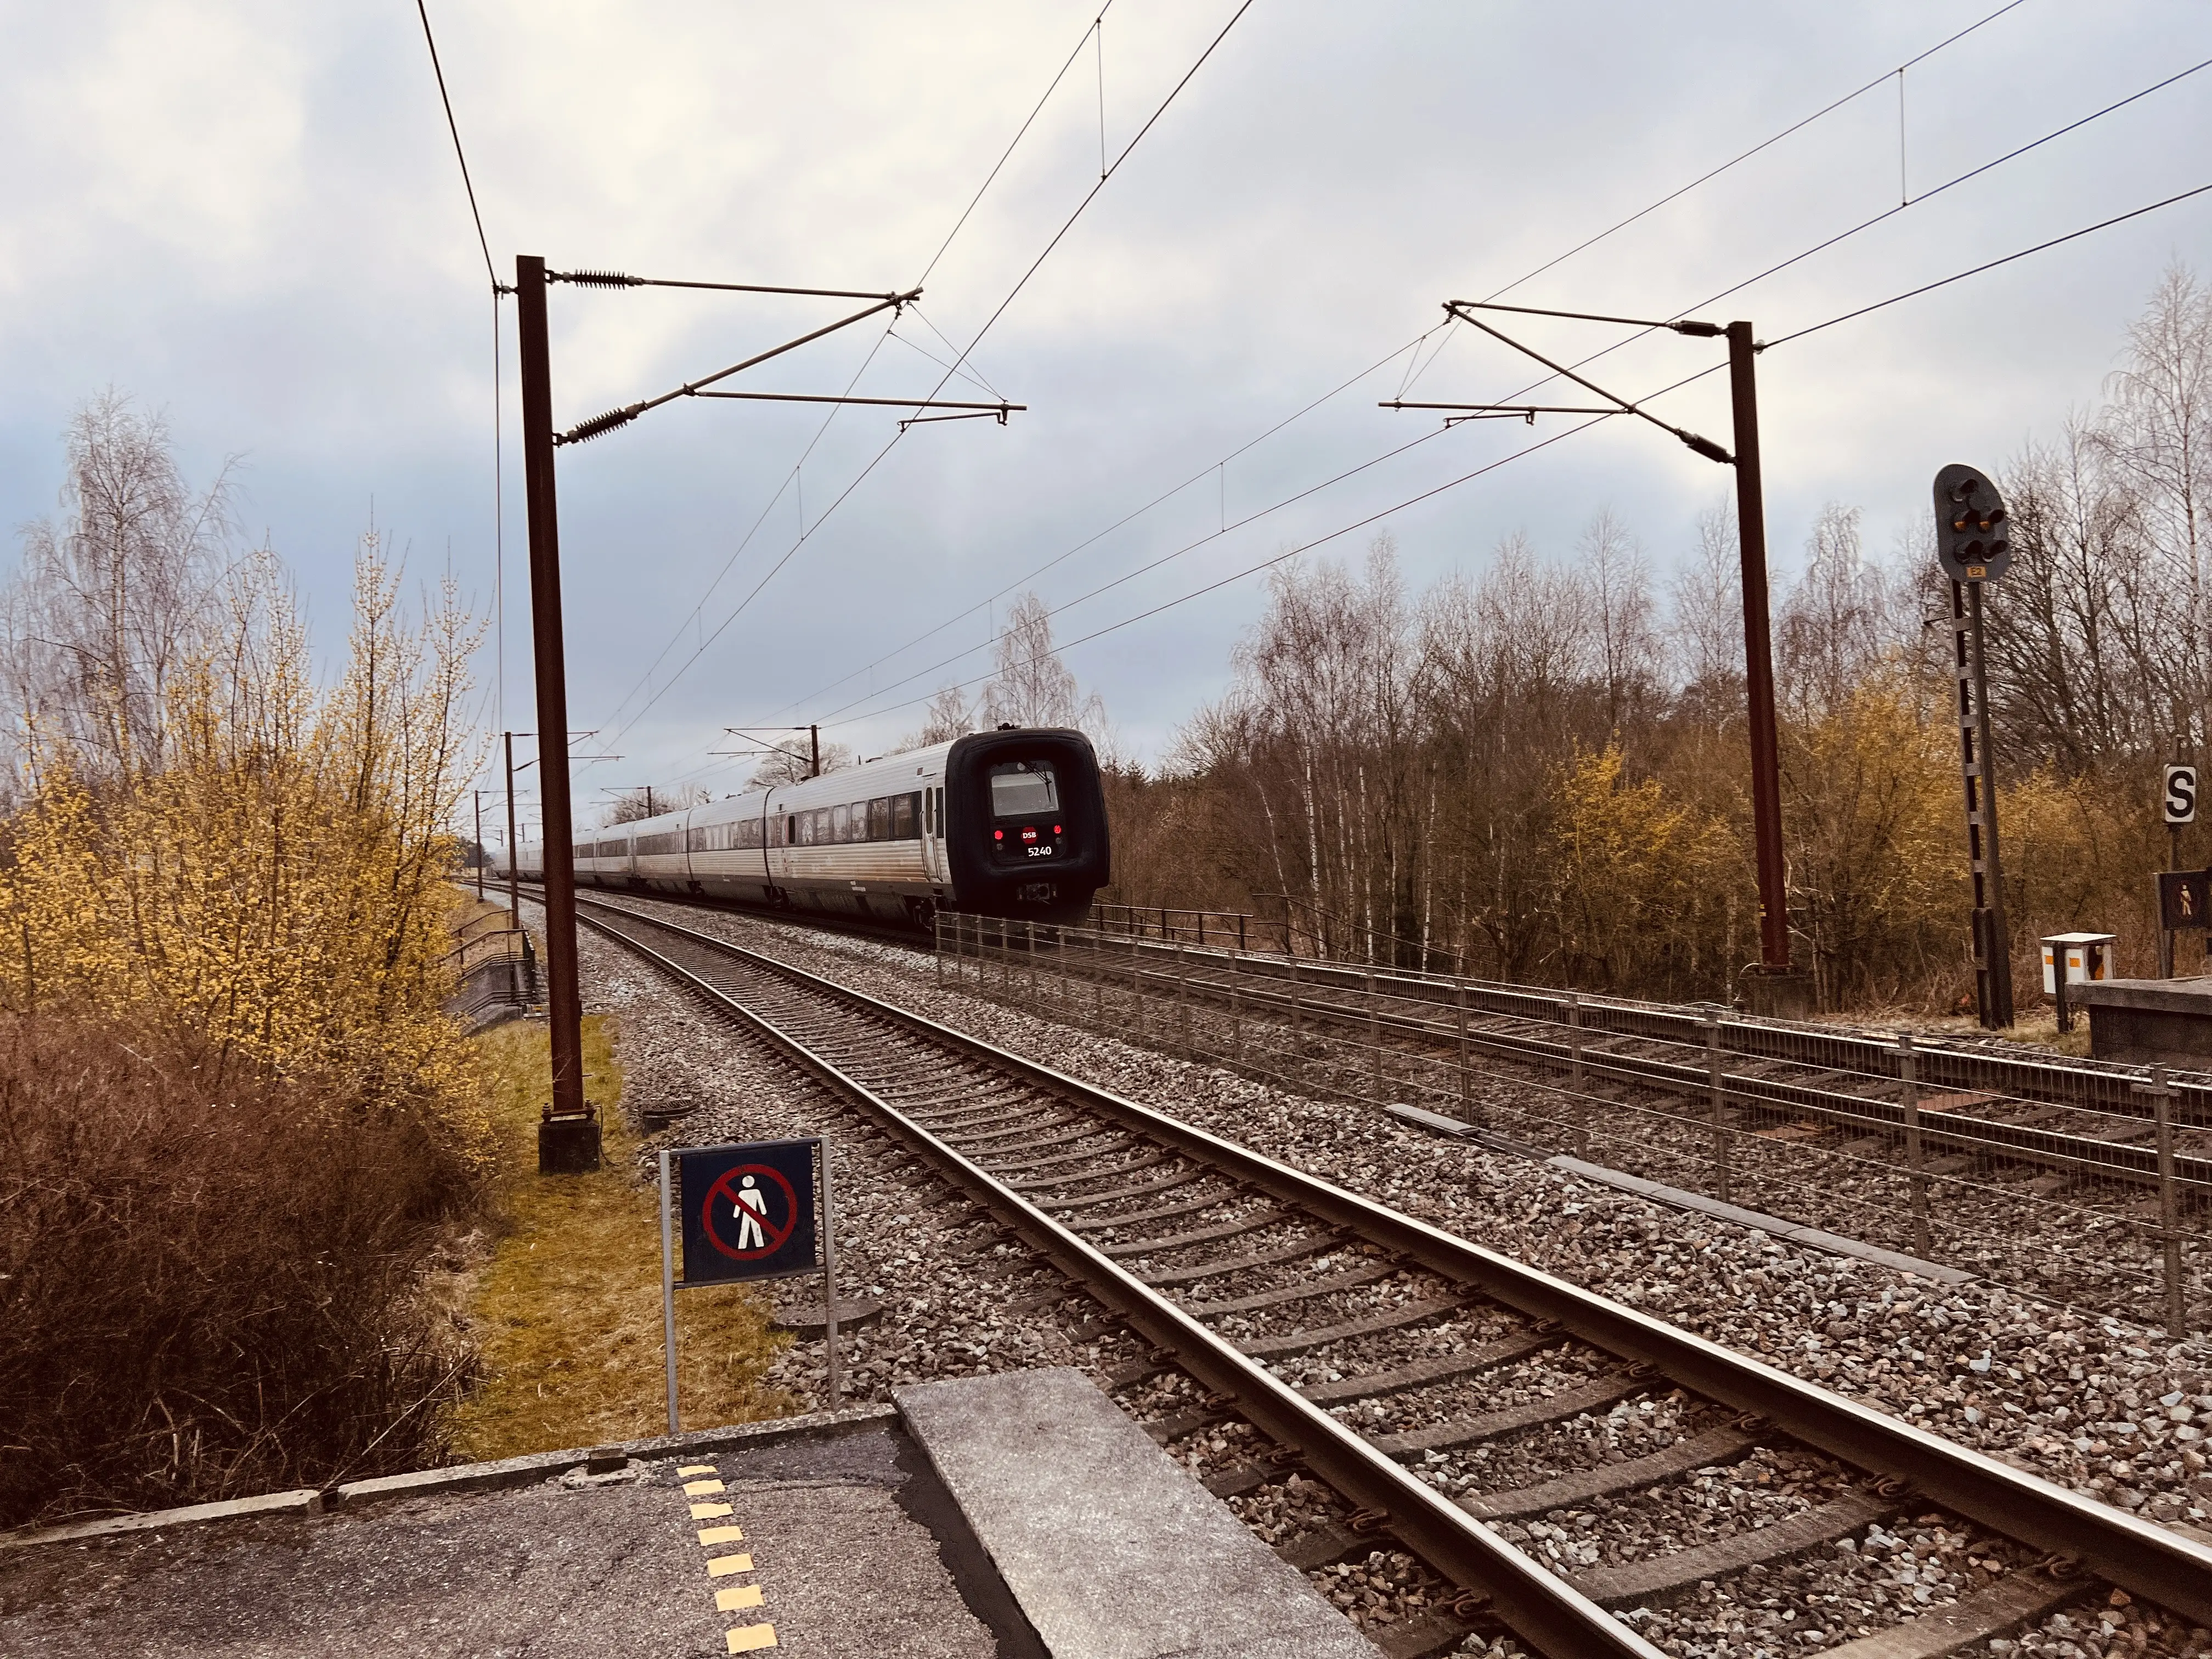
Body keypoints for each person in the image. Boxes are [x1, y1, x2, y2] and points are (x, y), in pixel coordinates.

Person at [733, 1173, 769, 1250]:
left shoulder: (745, 1193)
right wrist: (763, 1211)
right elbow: (739, 1204)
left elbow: (760, 1202)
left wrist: (736, 1214)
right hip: (752, 1213)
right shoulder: (751, 1192)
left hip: (749, 1213)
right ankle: (751, 1245)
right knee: (751, 1228)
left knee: (748, 1228)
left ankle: (747, 1245)